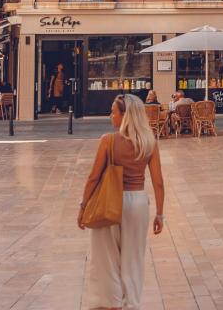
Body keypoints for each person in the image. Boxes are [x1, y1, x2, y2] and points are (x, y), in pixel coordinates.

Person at [81, 94, 164, 310]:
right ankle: (131, 304)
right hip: (137, 202)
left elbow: (93, 177)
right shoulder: (149, 142)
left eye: (113, 111)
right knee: (133, 258)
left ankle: (111, 303)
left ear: (125, 115)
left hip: (111, 199)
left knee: (106, 257)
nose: (111, 115)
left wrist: (83, 206)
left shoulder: (107, 141)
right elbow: (158, 183)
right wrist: (160, 214)